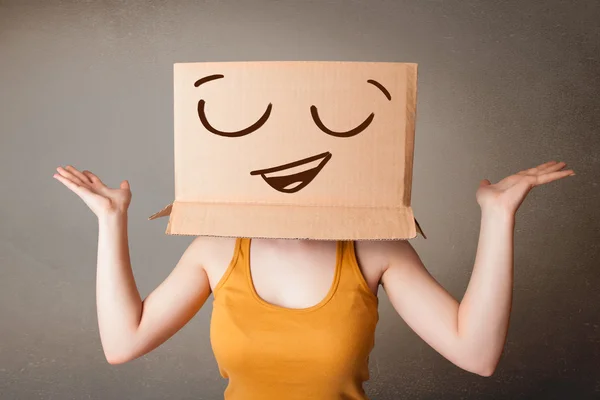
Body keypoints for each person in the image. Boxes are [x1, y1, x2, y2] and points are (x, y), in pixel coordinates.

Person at [52, 161, 575, 399]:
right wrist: (110, 220)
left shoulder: (374, 246)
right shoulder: (216, 247)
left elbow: (476, 353)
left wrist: (498, 215)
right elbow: (123, 342)